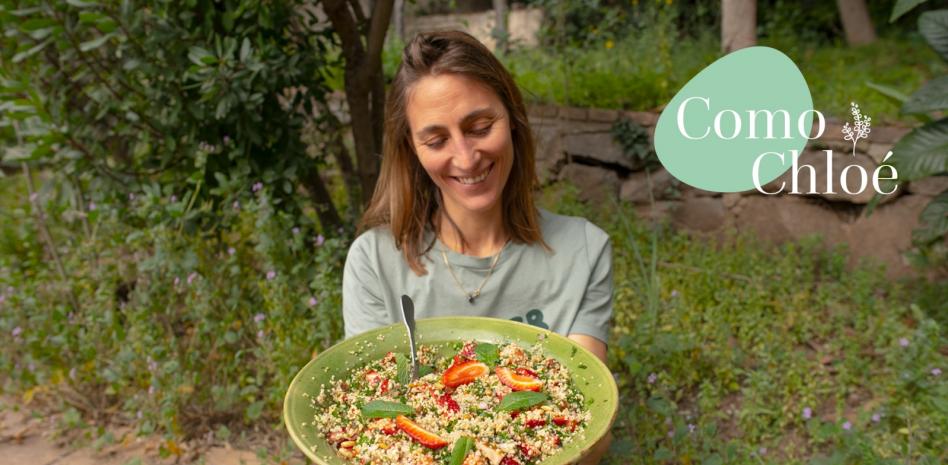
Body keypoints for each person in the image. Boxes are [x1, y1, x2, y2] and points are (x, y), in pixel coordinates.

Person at [341, 30, 613, 463]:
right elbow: (371, 420)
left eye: (481, 127)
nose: (466, 158)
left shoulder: (584, 251)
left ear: (513, 117)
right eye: (436, 141)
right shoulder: (374, 261)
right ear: (412, 150)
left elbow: (588, 425)